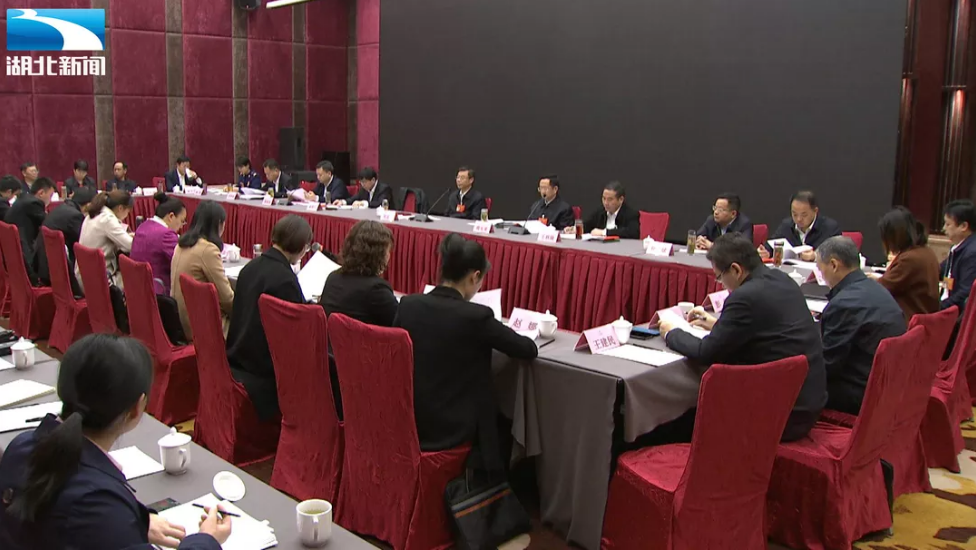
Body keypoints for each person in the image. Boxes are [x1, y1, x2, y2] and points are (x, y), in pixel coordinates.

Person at [0, 334, 231, 550]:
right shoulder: (98, 506)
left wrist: (135, 521)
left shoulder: (20, 446)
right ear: (137, 407)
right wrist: (207, 539)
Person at [659, 233, 827, 441]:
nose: (721, 284)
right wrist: (716, 325)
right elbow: (764, 329)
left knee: (676, 420)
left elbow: (706, 352)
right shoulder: (782, 279)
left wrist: (671, 332)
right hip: (807, 403)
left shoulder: (745, 297)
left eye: (719, 277)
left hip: (780, 417)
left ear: (736, 270)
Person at [395, 234, 538, 458]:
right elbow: (527, 349)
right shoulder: (476, 316)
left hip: (407, 420)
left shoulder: (408, 305)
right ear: (475, 276)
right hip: (452, 429)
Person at [226, 215, 312, 420]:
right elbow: (294, 335)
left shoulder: (250, 267)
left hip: (236, 356)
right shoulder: (285, 280)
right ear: (302, 247)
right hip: (263, 372)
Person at [815, 236, 907, 415]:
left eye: (820, 268)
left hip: (862, 393)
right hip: (888, 383)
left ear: (834, 265)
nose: (821, 274)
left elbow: (827, 366)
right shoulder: (876, 287)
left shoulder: (844, 304)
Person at [171, 200, 233, 341]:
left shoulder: (181, 244)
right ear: (219, 224)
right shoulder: (208, 250)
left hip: (181, 321)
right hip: (202, 328)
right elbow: (227, 300)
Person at [320, 220, 398, 327]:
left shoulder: (333, 278)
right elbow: (398, 324)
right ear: (379, 255)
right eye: (388, 251)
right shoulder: (377, 289)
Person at [874, 207, 940, 321]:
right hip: (922, 318)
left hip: (908, 321)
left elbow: (880, 289)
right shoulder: (926, 251)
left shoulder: (910, 259)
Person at [34, 187, 96, 295]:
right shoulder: (74, 215)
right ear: (88, 205)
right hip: (55, 271)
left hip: (43, 264)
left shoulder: (62, 208)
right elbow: (84, 242)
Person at [760, 191, 841, 261]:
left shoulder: (830, 227)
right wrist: (766, 252)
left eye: (804, 215)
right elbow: (772, 243)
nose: (799, 219)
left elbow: (839, 254)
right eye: (794, 214)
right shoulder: (787, 225)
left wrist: (815, 256)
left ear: (815, 211)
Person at [76, 190, 134, 290]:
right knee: (137, 277)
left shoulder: (93, 214)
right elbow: (130, 246)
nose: (127, 215)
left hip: (83, 277)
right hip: (98, 282)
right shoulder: (108, 219)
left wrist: (127, 235)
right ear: (120, 208)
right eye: (128, 211)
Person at [131, 193, 186, 295]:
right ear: (171, 216)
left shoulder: (143, 226)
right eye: (182, 221)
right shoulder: (166, 235)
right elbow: (183, 262)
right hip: (158, 293)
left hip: (137, 289)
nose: (182, 226)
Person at [5, 177, 55, 281]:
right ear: (41, 193)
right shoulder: (34, 203)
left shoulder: (24, 198)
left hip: (12, 258)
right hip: (26, 259)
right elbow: (49, 224)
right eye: (50, 196)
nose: (50, 200)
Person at [940, 199, 976, 315]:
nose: (943, 228)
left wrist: (939, 307)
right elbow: (940, 270)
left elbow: (965, 292)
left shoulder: (971, 253)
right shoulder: (958, 247)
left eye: (948, 224)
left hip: (955, 314)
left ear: (963, 226)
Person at [574, 181, 640, 239]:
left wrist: (604, 232)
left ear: (621, 199)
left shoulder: (631, 214)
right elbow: (588, 225)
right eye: (604, 198)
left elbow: (633, 233)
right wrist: (575, 229)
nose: (606, 203)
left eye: (610, 199)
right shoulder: (601, 212)